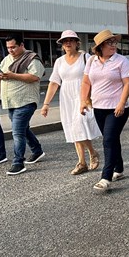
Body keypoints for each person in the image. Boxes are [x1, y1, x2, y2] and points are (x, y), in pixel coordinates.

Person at [41, 30, 101, 175]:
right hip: (67, 96)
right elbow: (54, 82)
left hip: (83, 95)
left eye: (70, 40)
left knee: (79, 124)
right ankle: (82, 162)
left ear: (76, 43)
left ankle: (92, 153)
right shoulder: (59, 61)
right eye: (64, 41)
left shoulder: (86, 57)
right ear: (62, 45)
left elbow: (95, 77)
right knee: (73, 127)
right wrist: (46, 104)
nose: (67, 43)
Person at [80, 30, 129, 192]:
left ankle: (105, 177)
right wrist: (83, 101)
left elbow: (127, 84)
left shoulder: (121, 61)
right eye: (110, 43)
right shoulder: (92, 61)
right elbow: (86, 82)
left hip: (117, 108)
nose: (114, 46)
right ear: (100, 46)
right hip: (99, 108)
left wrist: (122, 103)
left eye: (115, 42)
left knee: (108, 140)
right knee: (112, 139)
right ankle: (119, 168)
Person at [0, 35, 46, 175]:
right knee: (23, 129)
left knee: (17, 132)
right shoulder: (7, 59)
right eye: (8, 48)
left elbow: (35, 77)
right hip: (11, 101)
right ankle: (37, 150)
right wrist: (0, 76)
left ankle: (18, 162)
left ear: (21, 45)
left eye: (13, 47)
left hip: (26, 101)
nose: (10, 50)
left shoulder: (31, 58)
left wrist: (12, 75)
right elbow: (0, 73)